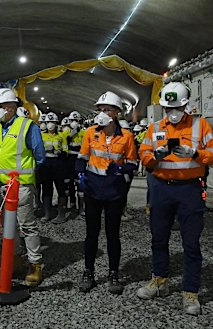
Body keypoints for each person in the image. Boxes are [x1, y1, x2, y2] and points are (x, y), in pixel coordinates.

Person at [137, 82, 213, 315]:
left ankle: (191, 292)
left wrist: (196, 153)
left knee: (191, 243)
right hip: (162, 188)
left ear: (186, 105)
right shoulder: (154, 128)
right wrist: (155, 155)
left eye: (176, 107)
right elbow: (143, 156)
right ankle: (160, 280)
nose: (172, 113)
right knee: (158, 238)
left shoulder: (200, 125)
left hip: (190, 189)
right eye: (167, 109)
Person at [75, 91, 137, 295]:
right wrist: (80, 176)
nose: (102, 113)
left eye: (107, 110)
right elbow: (82, 158)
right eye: (100, 110)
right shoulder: (90, 133)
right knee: (91, 234)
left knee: (113, 234)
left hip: (114, 192)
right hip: (93, 190)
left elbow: (132, 164)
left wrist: (120, 170)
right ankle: (89, 272)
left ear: (117, 113)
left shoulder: (126, 136)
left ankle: (113, 273)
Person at [0, 88, 45, 286]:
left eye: (0, 106)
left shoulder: (28, 126)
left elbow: (39, 156)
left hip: (20, 186)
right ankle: (15, 260)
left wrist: (23, 175)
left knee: (27, 225)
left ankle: (35, 265)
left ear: (11, 107)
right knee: (7, 227)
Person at [40, 112, 69, 223]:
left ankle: (61, 214)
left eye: (52, 122)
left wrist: (60, 152)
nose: (50, 124)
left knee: (61, 189)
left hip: (58, 164)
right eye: (48, 122)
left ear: (56, 123)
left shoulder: (61, 136)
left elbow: (66, 151)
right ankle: (47, 214)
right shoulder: (41, 135)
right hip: (46, 164)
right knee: (46, 189)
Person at [66, 111, 85, 216]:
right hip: (69, 161)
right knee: (69, 183)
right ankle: (72, 204)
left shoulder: (84, 133)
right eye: (72, 120)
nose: (74, 122)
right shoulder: (65, 133)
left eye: (76, 120)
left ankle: (81, 208)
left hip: (80, 161)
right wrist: (70, 135)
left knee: (80, 183)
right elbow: (63, 143)